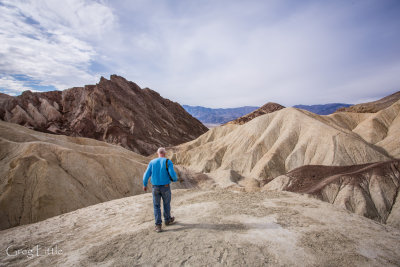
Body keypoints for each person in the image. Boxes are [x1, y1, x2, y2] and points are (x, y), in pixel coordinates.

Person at [143, 147, 178, 232]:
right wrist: (175, 179)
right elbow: (172, 174)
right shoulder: (167, 162)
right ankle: (167, 220)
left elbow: (146, 175)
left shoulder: (152, 162)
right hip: (165, 186)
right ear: (165, 153)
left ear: (157, 153)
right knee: (166, 204)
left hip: (155, 187)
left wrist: (144, 184)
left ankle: (158, 226)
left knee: (156, 206)